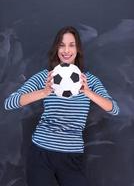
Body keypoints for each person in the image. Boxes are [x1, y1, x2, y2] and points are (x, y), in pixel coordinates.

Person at [4, 26, 119, 186]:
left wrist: (88, 93)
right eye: (61, 45)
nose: (66, 50)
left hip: (71, 157)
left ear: (77, 49)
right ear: (56, 48)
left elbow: (114, 108)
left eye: (71, 45)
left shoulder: (89, 81)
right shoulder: (45, 77)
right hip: (41, 154)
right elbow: (9, 103)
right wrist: (43, 92)